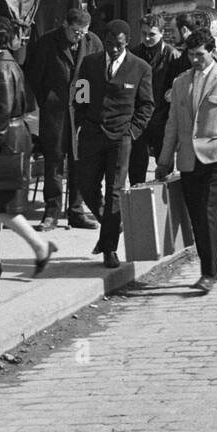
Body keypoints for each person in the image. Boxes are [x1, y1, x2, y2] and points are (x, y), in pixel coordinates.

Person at [156, 31, 217, 293]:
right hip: (187, 160)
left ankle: (209, 273)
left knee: (208, 214)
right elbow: (172, 124)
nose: (195, 59)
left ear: (212, 53)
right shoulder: (180, 82)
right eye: (191, 54)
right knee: (196, 216)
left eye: (200, 54)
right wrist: (164, 161)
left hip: (215, 158)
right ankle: (209, 267)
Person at [0, 15, 55, 279]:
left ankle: (40, 246)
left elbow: (1, 111)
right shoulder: (7, 63)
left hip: (2, 138)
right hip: (12, 135)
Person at [74, 20, 154, 267]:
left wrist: (132, 132)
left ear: (126, 42)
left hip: (121, 138)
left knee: (114, 191)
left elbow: (146, 105)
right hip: (91, 134)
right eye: (109, 44)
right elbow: (81, 93)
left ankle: (110, 248)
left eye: (118, 45)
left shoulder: (140, 67)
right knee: (85, 185)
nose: (114, 49)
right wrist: (81, 122)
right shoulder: (90, 63)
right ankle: (113, 224)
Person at [24, 7, 102, 230]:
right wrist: (49, 99)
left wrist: (87, 102)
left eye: (83, 32)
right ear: (65, 26)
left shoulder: (93, 42)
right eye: (75, 31)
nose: (79, 36)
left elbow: (97, 74)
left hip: (82, 111)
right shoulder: (48, 42)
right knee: (54, 161)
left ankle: (76, 211)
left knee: (79, 161)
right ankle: (51, 212)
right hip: (55, 112)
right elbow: (34, 76)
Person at [128, 13, 183, 186]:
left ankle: (166, 207)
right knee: (136, 166)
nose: (147, 38)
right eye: (144, 33)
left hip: (163, 119)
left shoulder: (172, 56)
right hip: (139, 119)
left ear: (161, 33)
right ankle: (137, 205)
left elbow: (178, 88)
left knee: (164, 167)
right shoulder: (133, 55)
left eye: (152, 34)